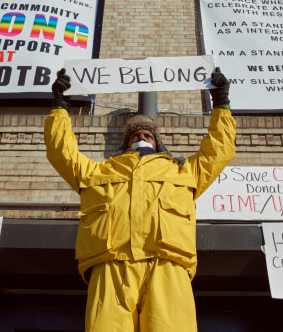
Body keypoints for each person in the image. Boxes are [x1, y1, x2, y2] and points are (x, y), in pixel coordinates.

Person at [44, 67, 236, 332]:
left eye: (147, 135)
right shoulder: (97, 172)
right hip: (111, 268)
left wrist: (221, 104)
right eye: (135, 135)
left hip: (168, 267)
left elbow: (220, 149)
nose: (141, 138)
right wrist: (59, 107)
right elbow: (60, 152)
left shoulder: (183, 171)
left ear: (158, 143)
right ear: (125, 143)